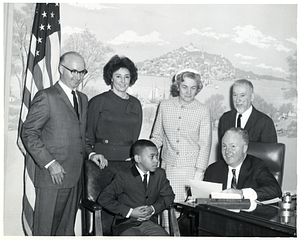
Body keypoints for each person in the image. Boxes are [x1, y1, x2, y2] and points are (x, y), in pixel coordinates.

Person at [21, 51, 88, 235]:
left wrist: (91, 153)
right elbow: (28, 133)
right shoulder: (46, 97)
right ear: (60, 68)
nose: (78, 77)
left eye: (82, 72)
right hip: (53, 177)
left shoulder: (82, 99)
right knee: (46, 230)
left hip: (75, 177)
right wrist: (50, 163)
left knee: (66, 230)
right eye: (73, 71)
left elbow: (81, 136)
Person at [151, 69, 212, 204]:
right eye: (184, 87)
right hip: (167, 168)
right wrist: (143, 153)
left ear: (198, 89)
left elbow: (205, 145)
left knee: (183, 213)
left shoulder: (203, 111)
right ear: (177, 86)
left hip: (190, 171)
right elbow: (157, 137)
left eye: (193, 88)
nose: (188, 92)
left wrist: (198, 176)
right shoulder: (164, 106)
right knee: (166, 210)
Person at [97, 140, 175, 236]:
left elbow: (169, 196)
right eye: (152, 157)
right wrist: (131, 212)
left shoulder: (160, 174)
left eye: (157, 156)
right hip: (126, 225)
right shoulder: (124, 176)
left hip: (150, 224)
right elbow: (103, 198)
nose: (156, 160)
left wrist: (152, 209)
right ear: (138, 158)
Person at [86, 54, 142, 184]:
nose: (123, 81)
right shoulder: (98, 101)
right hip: (102, 160)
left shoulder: (136, 103)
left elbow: (135, 137)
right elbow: (87, 136)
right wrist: (92, 155)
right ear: (111, 78)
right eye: (118, 76)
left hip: (127, 162)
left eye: (126, 77)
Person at [204, 127, 282, 201]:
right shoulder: (213, 170)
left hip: (246, 214)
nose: (227, 151)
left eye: (233, 146)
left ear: (244, 148)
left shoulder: (257, 166)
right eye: (224, 146)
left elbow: (275, 190)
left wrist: (242, 193)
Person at [218, 79, 277, 143]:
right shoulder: (225, 119)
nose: (237, 100)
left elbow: (270, 152)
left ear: (251, 97)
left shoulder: (265, 122)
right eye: (235, 95)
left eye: (242, 95)